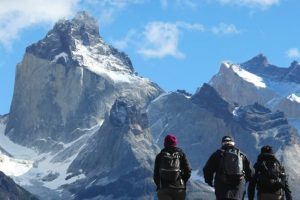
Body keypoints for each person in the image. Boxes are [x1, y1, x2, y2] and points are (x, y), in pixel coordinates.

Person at [203, 135, 253, 200]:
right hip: (238, 188)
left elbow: (207, 170)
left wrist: (209, 181)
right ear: (233, 143)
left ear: (222, 143)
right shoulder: (242, 155)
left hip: (222, 188)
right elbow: (251, 172)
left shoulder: (217, 154)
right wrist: (243, 180)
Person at [153, 134, 192, 200]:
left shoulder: (160, 156)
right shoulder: (181, 154)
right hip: (179, 189)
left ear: (165, 143)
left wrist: (160, 185)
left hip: (164, 189)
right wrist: (182, 182)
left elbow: (156, 175)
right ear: (175, 143)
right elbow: (188, 171)